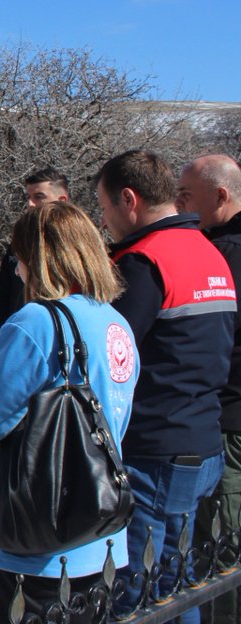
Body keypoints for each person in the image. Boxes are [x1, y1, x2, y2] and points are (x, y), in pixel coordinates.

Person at [0, 202, 137, 623]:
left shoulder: (35, 323)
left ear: (41, 258)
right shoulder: (115, 323)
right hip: (99, 532)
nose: (16, 270)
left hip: (31, 539)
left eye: (20, 258)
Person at [96, 150, 236, 622]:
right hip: (202, 436)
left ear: (128, 200)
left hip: (154, 449)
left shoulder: (143, 261)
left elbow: (110, 353)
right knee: (175, 585)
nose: (104, 218)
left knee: (142, 591)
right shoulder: (208, 250)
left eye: (104, 205)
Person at [177, 155, 241, 624]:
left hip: (228, 417)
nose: (179, 206)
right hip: (218, 414)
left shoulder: (226, 254)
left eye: (187, 197)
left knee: (222, 542)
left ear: (221, 197)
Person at [0, 167, 69, 337]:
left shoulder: (75, 247)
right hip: (18, 336)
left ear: (62, 200)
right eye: (29, 197)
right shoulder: (21, 243)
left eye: (39, 197)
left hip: (59, 340)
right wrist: (2, 334)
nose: (30, 204)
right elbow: (2, 293)